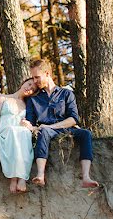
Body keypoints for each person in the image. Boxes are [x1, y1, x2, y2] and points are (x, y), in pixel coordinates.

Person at [22, 58, 100, 188]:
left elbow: (74, 119)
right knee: (44, 131)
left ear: (47, 73)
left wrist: (51, 126)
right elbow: (31, 122)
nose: (35, 81)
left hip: (65, 128)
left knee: (86, 134)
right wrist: (28, 125)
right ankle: (40, 175)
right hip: (45, 131)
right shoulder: (33, 99)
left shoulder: (66, 94)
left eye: (37, 77)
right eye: (33, 78)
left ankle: (86, 177)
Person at [0, 77, 37, 193]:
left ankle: (22, 178)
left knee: (24, 133)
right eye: (29, 84)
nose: (29, 88)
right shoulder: (3, 98)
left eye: (32, 89)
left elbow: (30, 123)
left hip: (19, 133)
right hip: (5, 131)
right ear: (23, 82)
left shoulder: (27, 105)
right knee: (13, 131)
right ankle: (13, 179)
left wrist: (27, 125)